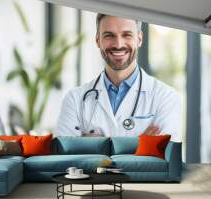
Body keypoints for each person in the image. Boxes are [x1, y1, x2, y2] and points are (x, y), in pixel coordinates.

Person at [56, 14, 181, 142]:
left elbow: (163, 158)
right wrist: (140, 145)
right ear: (98, 40)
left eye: (127, 35)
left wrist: (94, 148)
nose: (118, 44)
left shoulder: (165, 97)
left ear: (139, 39)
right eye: (109, 35)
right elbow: (64, 158)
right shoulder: (74, 99)